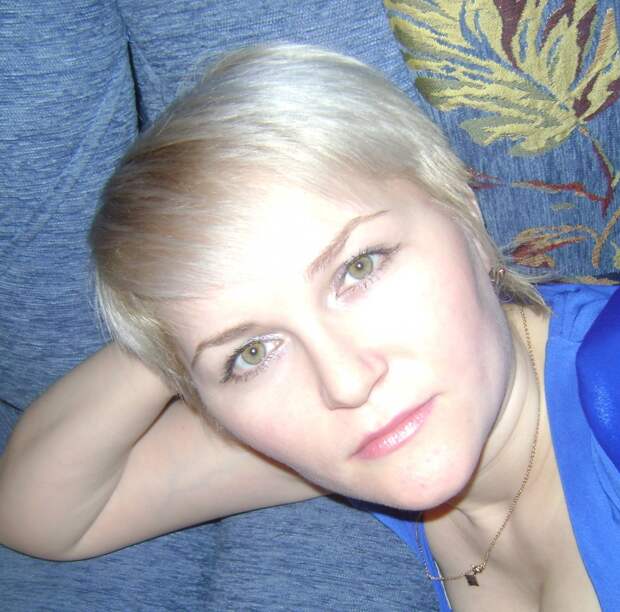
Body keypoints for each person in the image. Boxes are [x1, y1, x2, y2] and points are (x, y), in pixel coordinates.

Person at [0, 44, 618, 611]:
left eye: (359, 267)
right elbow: (46, 513)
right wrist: (171, 322)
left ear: (466, 219)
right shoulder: (365, 437)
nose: (345, 383)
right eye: (252, 353)